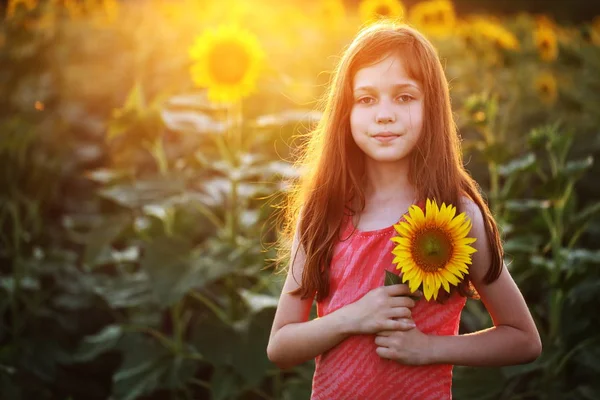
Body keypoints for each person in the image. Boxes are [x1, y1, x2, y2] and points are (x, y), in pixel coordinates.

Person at [266, 22, 542, 400]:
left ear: (432, 107)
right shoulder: (323, 212)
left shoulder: (454, 216)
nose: (384, 114)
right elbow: (280, 346)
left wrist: (429, 348)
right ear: (344, 112)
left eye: (404, 97)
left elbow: (523, 339)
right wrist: (353, 317)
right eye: (366, 99)